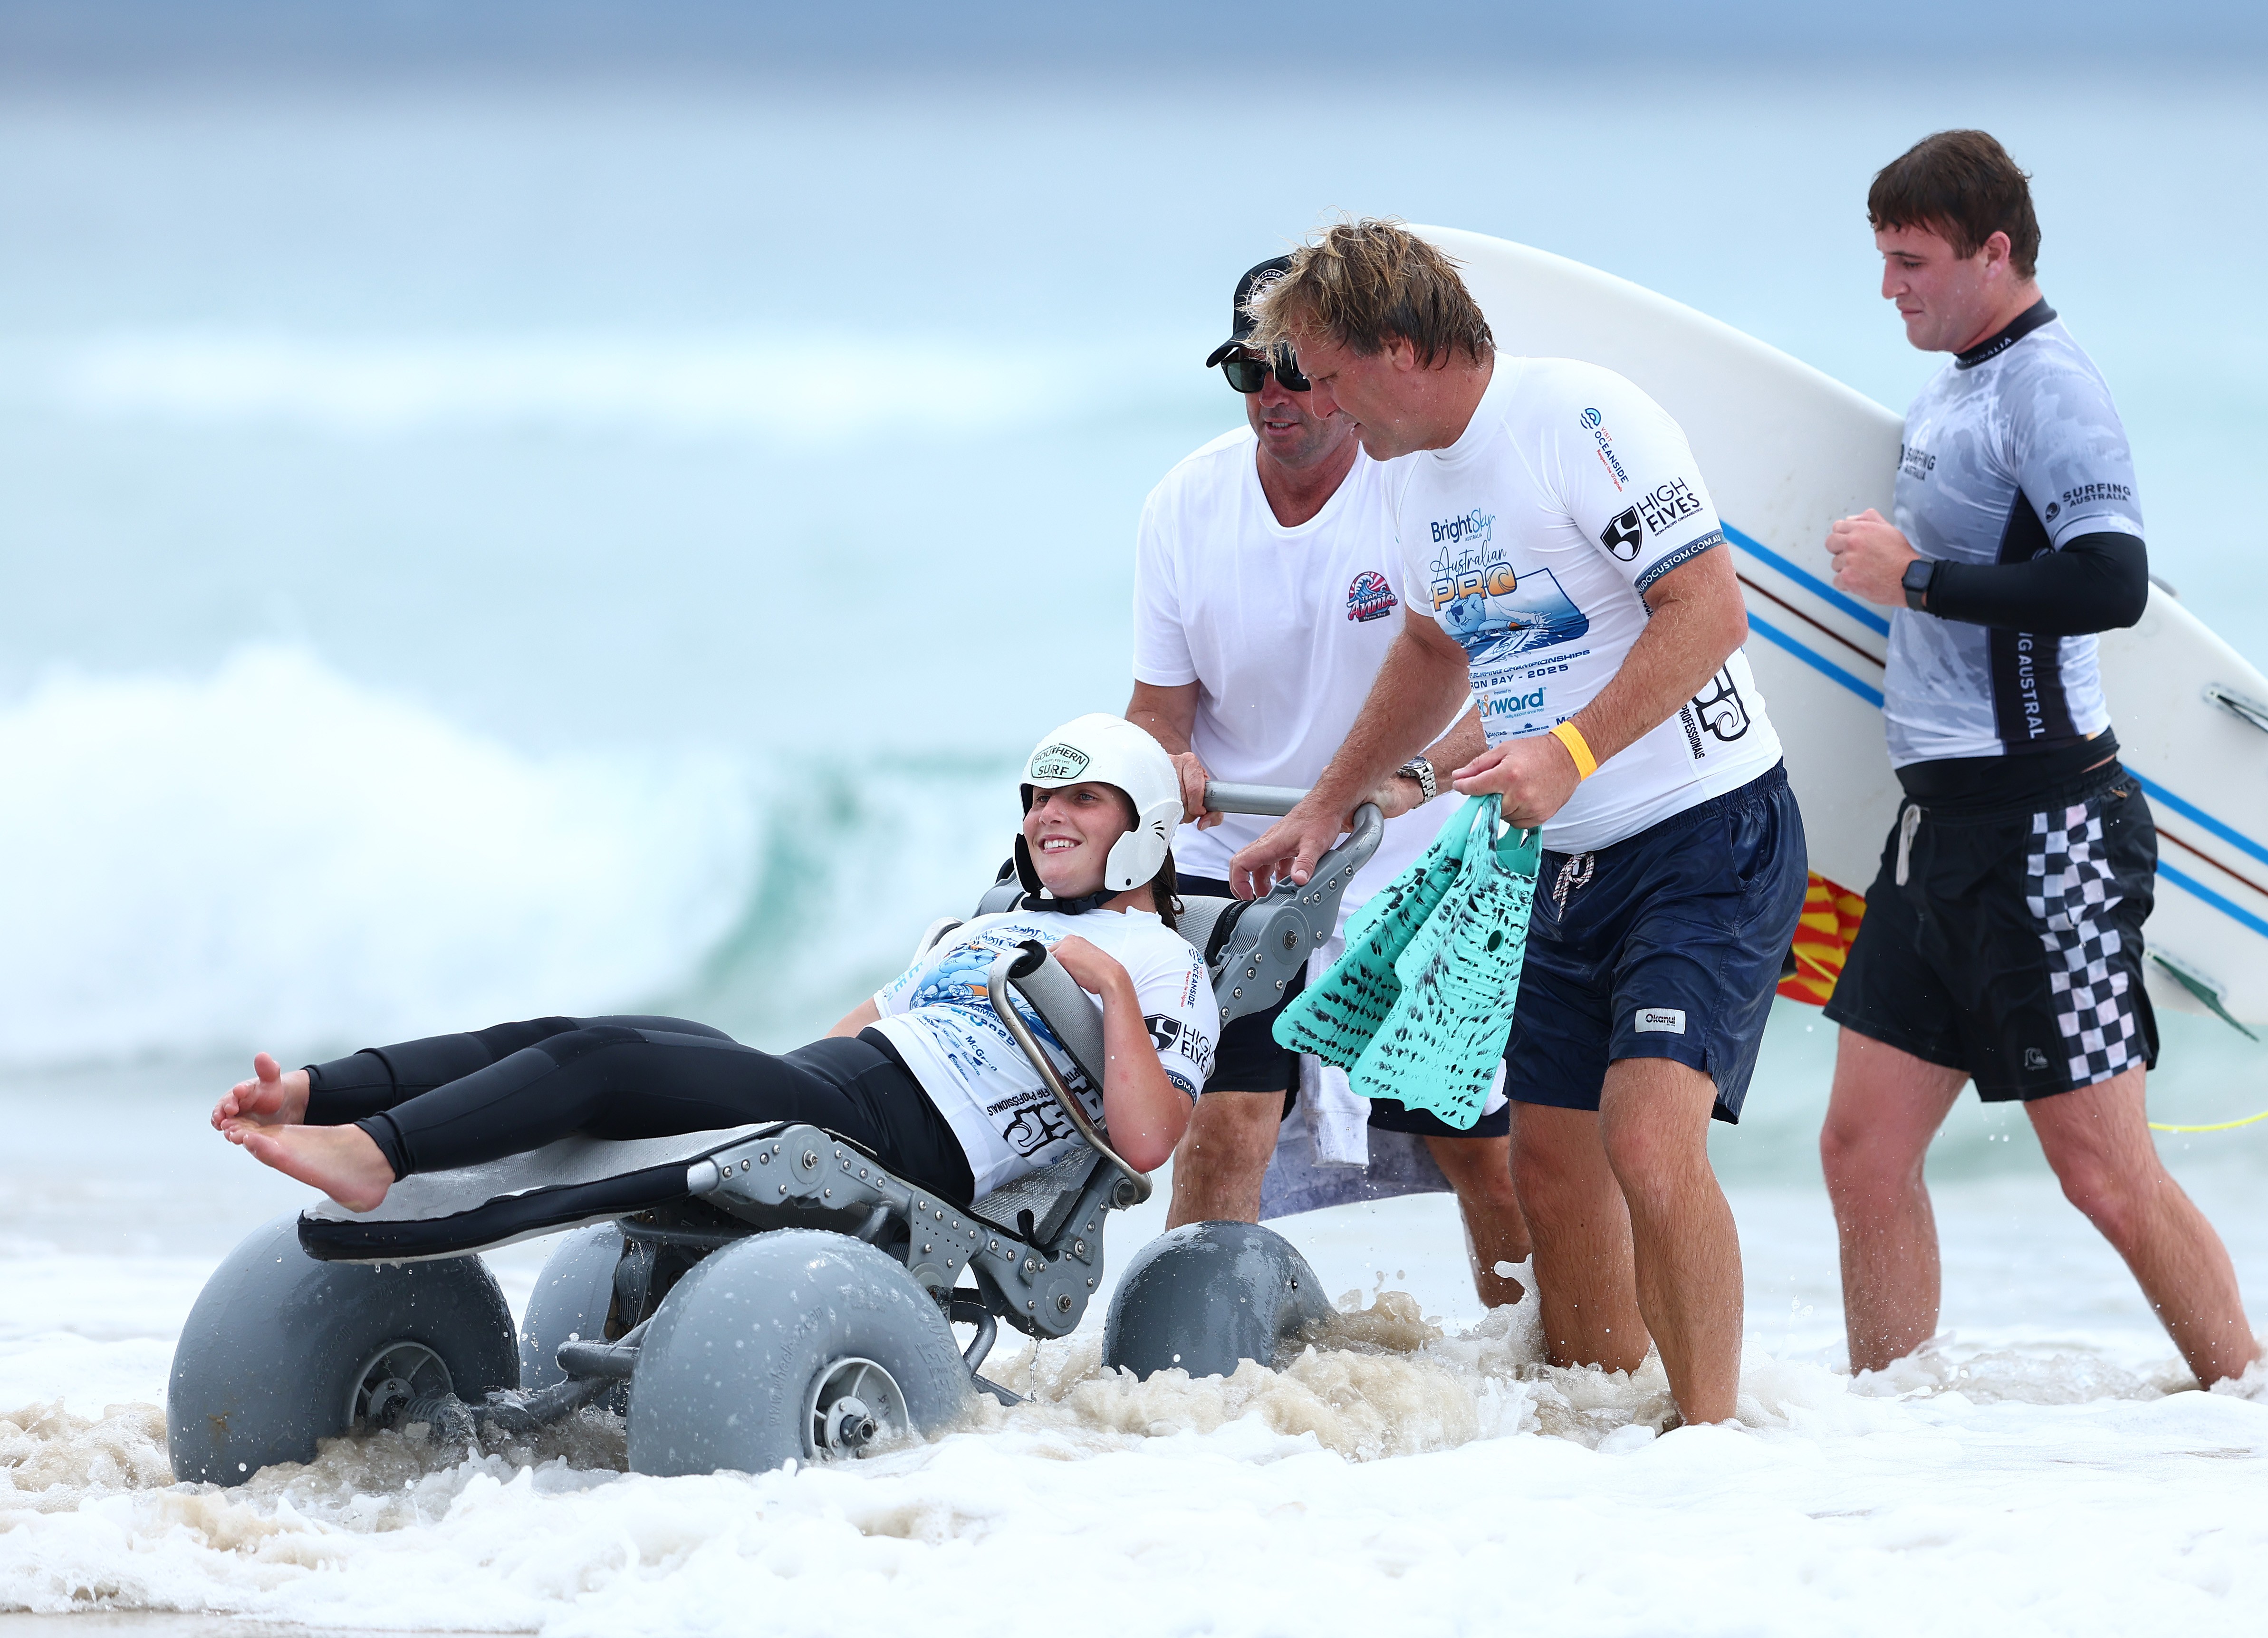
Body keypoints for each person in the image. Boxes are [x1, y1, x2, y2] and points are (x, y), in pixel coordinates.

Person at [1233, 220, 1807, 1426]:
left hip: (1703, 829)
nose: (1320, 402)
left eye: (1330, 373)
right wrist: (1328, 806)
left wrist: (1576, 747)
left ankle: (1712, 1446)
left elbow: (1707, 611)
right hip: (1554, 855)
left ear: (1402, 347)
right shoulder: (1408, 480)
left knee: (1651, 1143)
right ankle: (1599, 1422)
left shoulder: (1582, 421)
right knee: (1550, 1166)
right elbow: (1440, 646)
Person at [1816, 130, 2258, 1386]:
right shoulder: (1950, 387)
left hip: (2046, 827)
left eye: (1911, 261)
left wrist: (1916, 577)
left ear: (1991, 250)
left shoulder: (2049, 386)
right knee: (1861, 1153)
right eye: (1883, 260)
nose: (1890, 286)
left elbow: (2110, 583)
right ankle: (1894, 1428)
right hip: (1936, 837)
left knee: (2104, 1174)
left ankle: (2261, 1410)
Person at [212, 714, 1212, 1214]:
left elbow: (1147, 1140)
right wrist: (743, 1098)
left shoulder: (1161, 965)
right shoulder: (988, 924)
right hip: (835, 1092)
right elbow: (858, 1031)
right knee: (584, 1035)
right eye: (1040, 795)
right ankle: (320, 1092)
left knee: (607, 1061)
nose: (1048, 813)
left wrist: (1114, 993)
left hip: (909, 1135)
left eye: (1081, 798)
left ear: (1144, 825)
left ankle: (375, 1156)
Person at [1127, 254, 1528, 1307]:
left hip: (1407, 869)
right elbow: (1157, 712)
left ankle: (1550, 1366)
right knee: (1222, 1130)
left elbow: (1516, 684)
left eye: (1297, 373)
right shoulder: (1184, 501)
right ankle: (1189, 1376)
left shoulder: (1418, 491)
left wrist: (1412, 780)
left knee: (1478, 1148)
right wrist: (1164, 763)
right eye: (1248, 375)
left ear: (1344, 377)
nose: (1275, 398)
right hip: (1247, 867)